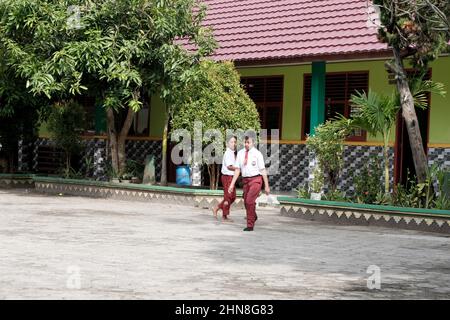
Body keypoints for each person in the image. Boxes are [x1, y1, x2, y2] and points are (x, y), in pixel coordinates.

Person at [228, 135, 270, 231]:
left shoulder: (257, 154)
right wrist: (232, 184)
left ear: (253, 143)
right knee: (246, 201)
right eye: (245, 142)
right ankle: (253, 216)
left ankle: (250, 225)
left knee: (249, 201)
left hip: (256, 180)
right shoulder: (240, 153)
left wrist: (267, 186)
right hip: (245, 181)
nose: (246, 144)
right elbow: (237, 170)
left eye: (248, 142)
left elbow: (263, 170)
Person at [213, 136, 237, 222]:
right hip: (227, 177)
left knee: (233, 197)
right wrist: (238, 168)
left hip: (231, 177)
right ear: (227, 143)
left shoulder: (232, 152)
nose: (234, 144)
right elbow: (229, 167)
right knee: (228, 197)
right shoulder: (228, 153)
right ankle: (224, 216)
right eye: (231, 142)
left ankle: (217, 207)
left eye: (235, 142)